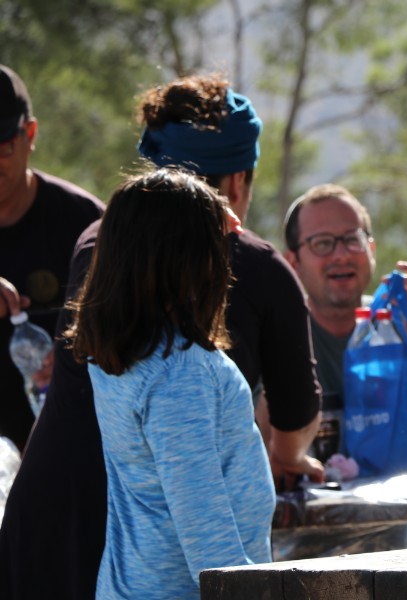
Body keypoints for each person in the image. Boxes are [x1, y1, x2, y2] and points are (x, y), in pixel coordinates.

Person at [0, 73, 319, 600]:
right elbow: (207, 538)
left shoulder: (116, 356)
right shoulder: (182, 377)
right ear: (197, 266)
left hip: (107, 572)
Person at [65, 167, 274, 599]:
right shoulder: (179, 374)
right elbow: (203, 527)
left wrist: (200, 210)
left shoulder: (122, 355)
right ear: (190, 260)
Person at [283, 183, 407, 465]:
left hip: (395, 507)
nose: (341, 255)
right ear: (293, 263)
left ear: (371, 249)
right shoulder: (276, 336)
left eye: (352, 239)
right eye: (322, 243)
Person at [0, 64, 105, 451]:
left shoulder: (86, 223)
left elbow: (136, 333)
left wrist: (73, 361)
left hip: (71, 452)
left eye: (2, 147)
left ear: (30, 135)